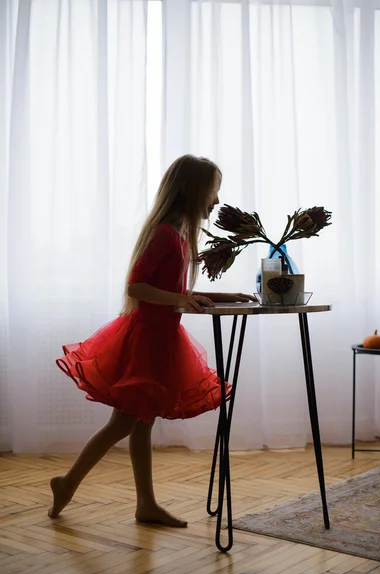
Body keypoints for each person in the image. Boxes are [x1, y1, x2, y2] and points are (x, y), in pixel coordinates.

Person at [49, 154, 254, 527]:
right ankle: (67, 483)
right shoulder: (165, 234)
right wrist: (179, 299)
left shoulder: (177, 236)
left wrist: (229, 296)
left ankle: (143, 503)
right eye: (214, 191)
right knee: (123, 424)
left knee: (138, 424)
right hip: (145, 342)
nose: (217, 201)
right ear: (191, 190)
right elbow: (137, 286)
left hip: (161, 342)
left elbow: (176, 290)